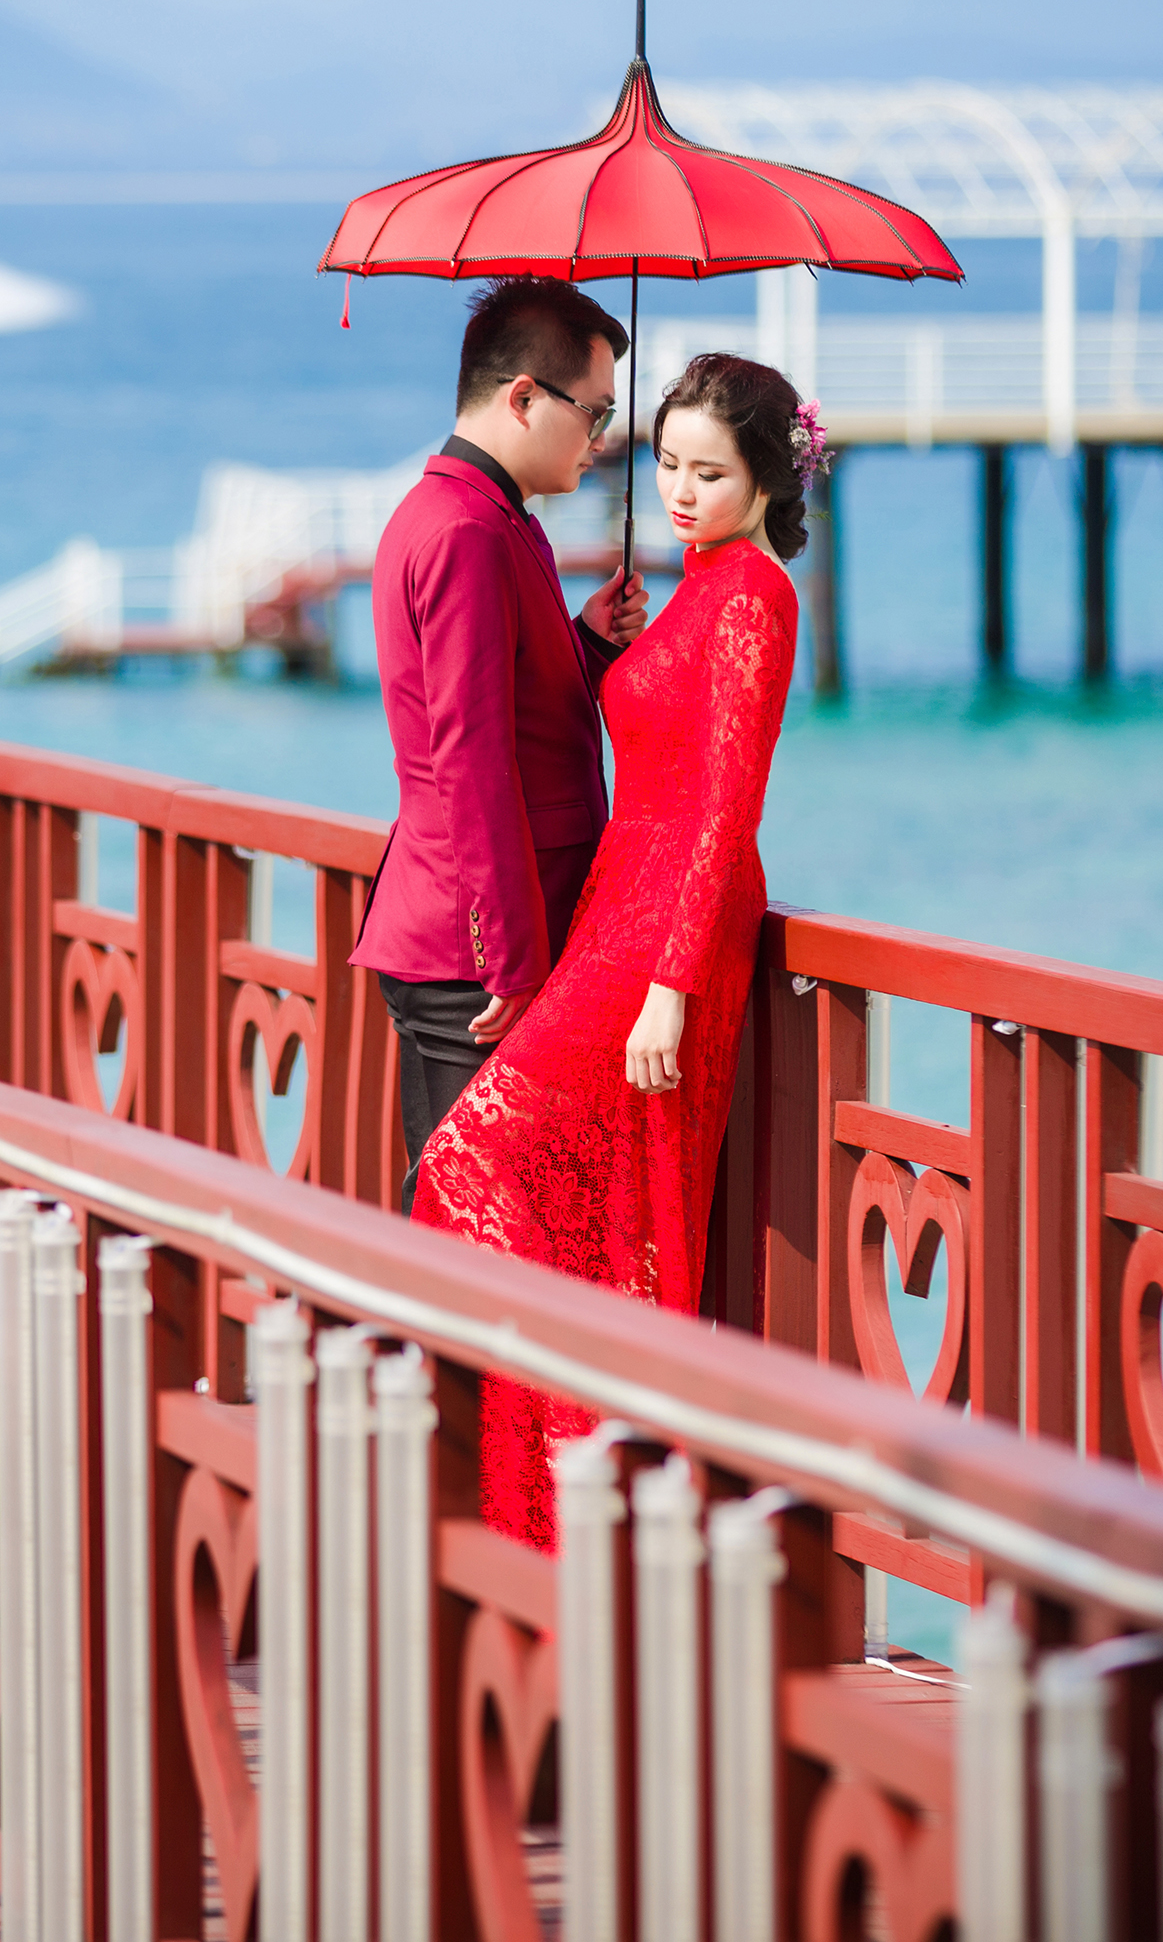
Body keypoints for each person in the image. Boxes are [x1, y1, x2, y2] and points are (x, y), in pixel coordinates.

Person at [413, 351, 822, 1550]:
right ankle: (571, 1482)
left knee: (474, 1159)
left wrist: (671, 988)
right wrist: (604, 645)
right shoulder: (697, 584)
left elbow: (725, 810)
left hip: (669, 926)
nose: (682, 491)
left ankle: (580, 1467)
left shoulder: (753, 598)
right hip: (618, 905)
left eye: (711, 472)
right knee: (568, 1199)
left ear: (766, 479)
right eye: (669, 464)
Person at [351, 277, 651, 1213]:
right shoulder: (468, 530)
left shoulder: (486, 514)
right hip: (474, 954)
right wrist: (512, 957)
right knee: (479, 1228)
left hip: (466, 930)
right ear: (523, 397)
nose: (601, 438)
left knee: (475, 1219)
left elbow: (508, 702)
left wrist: (585, 641)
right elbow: (470, 759)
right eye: (594, 412)